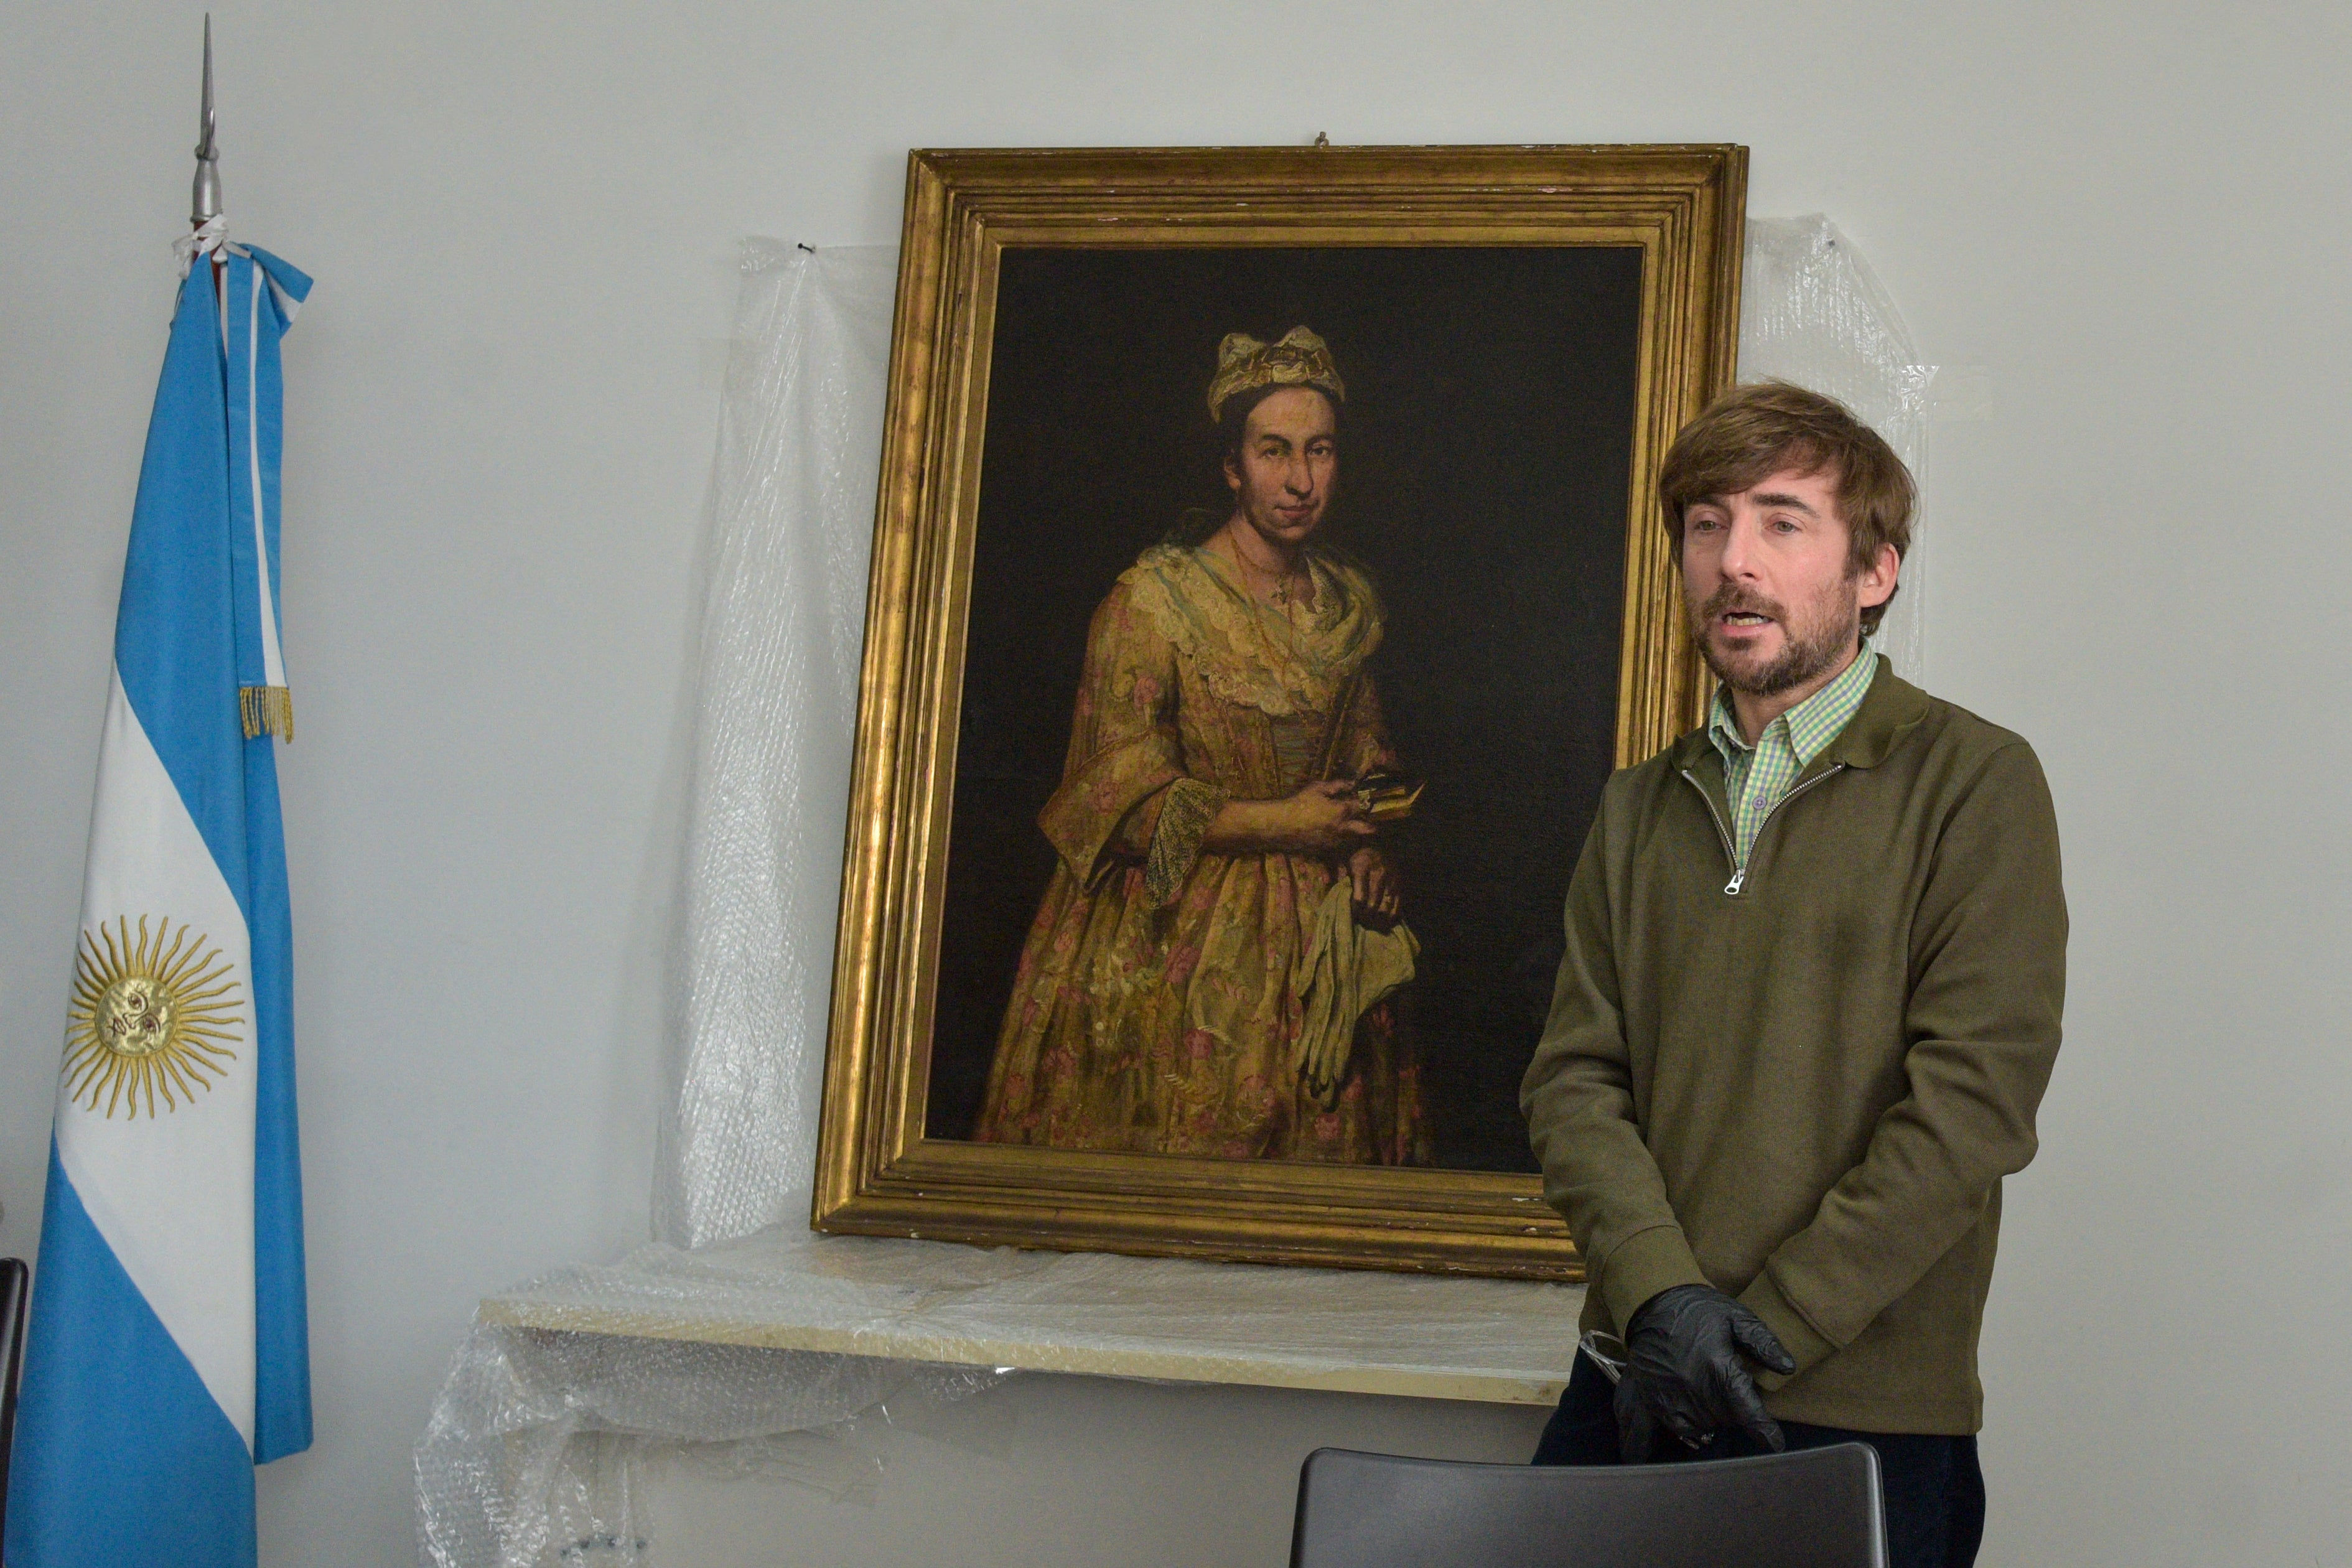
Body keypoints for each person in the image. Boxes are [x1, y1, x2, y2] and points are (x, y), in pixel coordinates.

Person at [1519, 381, 2065, 1567]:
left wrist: (1757, 1332)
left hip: (1858, 1419)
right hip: (1630, 1385)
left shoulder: (1976, 784)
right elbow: (1573, 1085)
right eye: (1707, 525)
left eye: (1782, 521)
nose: (1734, 562)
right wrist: (1664, 1304)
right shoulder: (1637, 805)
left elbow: (1971, 1110)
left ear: (1875, 572)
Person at [973, 327, 1428, 1164]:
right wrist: (1284, 824)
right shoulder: (1153, 602)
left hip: (1320, 944)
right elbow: (1120, 802)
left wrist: (1369, 845)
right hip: (1168, 944)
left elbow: (1369, 752)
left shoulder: (1343, 602)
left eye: (1319, 452)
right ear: (1231, 467)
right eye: (1275, 452)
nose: (1300, 481)